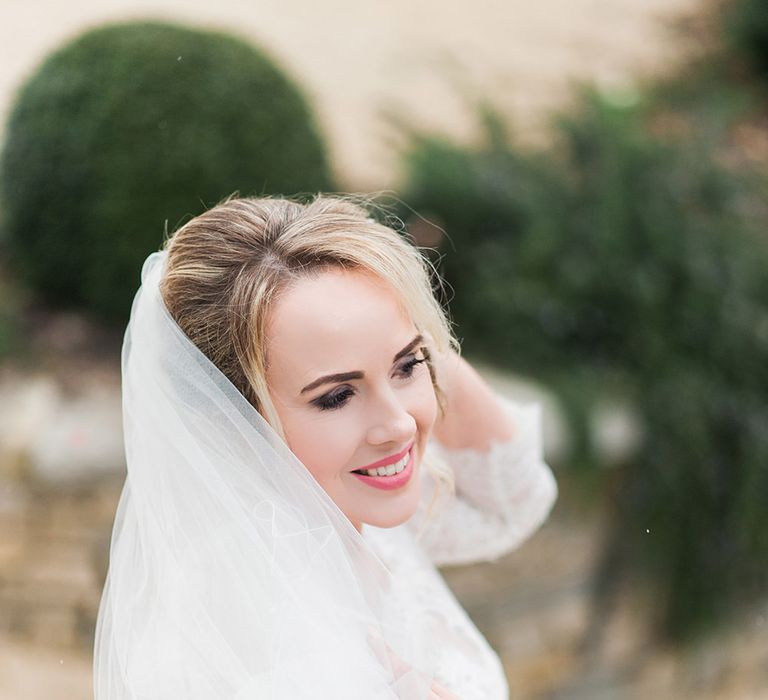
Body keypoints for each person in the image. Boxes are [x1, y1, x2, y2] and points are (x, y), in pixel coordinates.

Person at [94, 194, 557, 699]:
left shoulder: (345, 512)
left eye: (408, 366)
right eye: (336, 396)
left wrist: (400, 331)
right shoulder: (261, 643)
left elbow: (515, 501)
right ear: (234, 420)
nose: (399, 425)